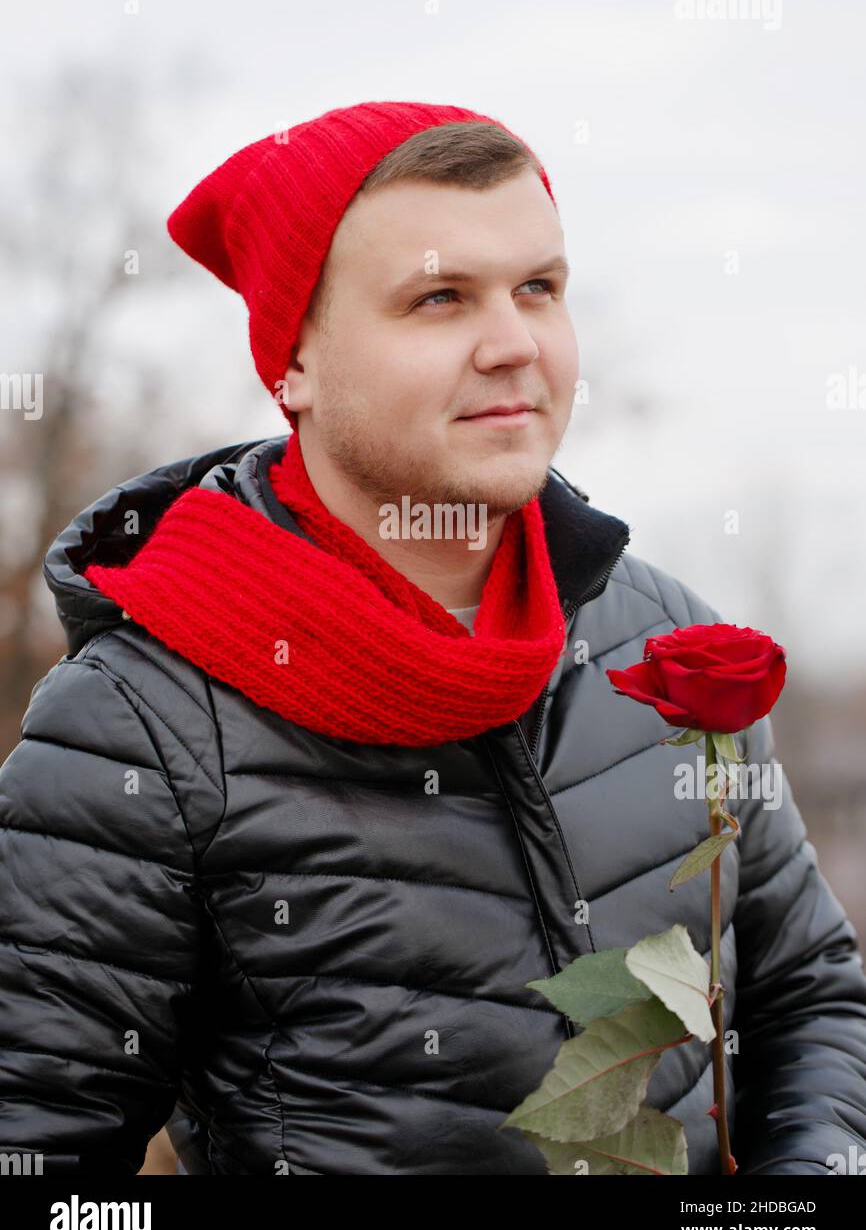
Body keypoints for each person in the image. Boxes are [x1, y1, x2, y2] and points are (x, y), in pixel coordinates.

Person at [1, 100, 865, 1176]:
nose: (512, 344)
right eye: (439, 297)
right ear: (294, 366)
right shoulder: (136, 728)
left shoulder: (673, 645)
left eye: (537, 288)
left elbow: (806, 995)